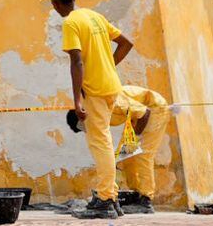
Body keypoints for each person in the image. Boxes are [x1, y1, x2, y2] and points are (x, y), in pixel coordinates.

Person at [45, 0, 134, 219]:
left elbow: (76, 61)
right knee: (102, 139)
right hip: (111, 86)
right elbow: (126, 43)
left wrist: (77, 101)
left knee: (100, 142)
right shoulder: (94, 16)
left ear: (55, 2)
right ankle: (111, 197)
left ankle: (105, 199)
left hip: (94, 91)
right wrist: (108, 67)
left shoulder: (71, 23)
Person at [66, 82, 169, 214]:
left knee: (143, 155)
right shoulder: (97, 112)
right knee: (125, 156)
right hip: (136, 118)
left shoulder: (112, 103)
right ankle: (137, 194)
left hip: (155, 110)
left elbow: (145, 113)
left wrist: (136, 139)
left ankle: (146, 200)